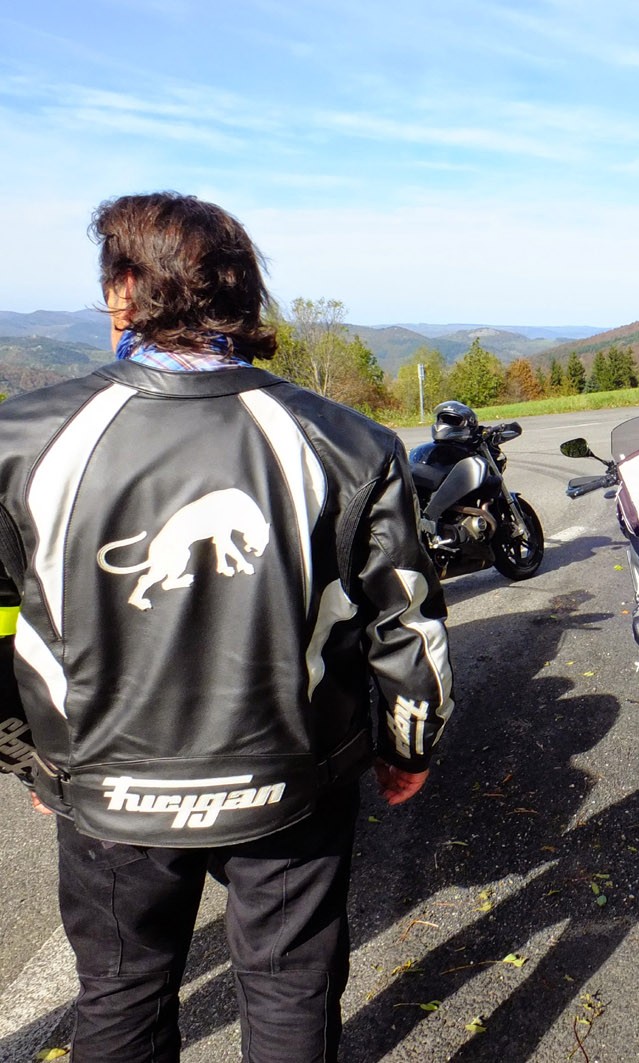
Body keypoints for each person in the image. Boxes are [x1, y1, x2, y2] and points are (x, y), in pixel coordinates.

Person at [0, 192, 454, 1062]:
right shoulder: (347, 441)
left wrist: (29, 750)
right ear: (241, 299)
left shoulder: (22, 440)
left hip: (107, 791)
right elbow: (410, 619)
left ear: (128, 292)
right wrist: (408, 746)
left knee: (122, 995)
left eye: (108, 285)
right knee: (289, 990)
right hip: (289, 783)